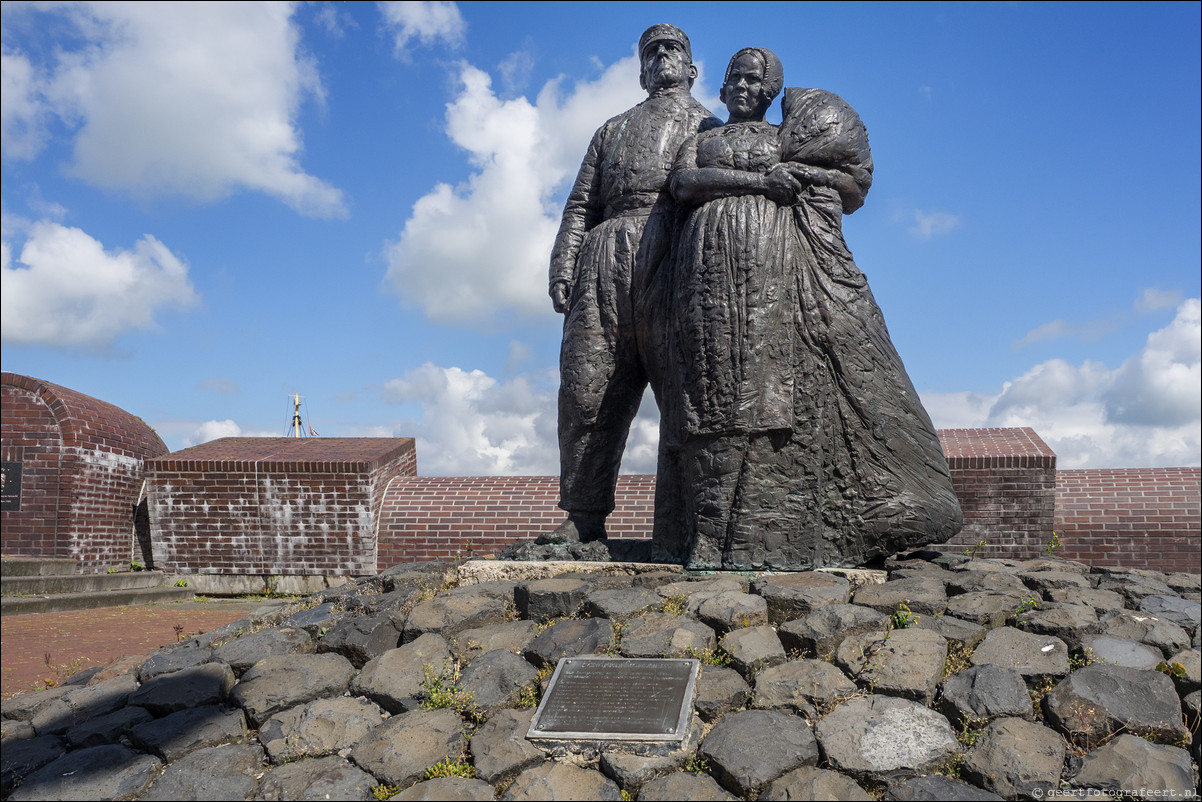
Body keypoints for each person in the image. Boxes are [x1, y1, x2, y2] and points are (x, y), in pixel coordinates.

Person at [654, 47, 961, 570]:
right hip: (705, 266)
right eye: (739, 80)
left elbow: (851, 187)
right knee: (708, 388)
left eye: (758, 83)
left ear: (771, 94)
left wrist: (801, 174)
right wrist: (760, 182)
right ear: (723, 88)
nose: (747, 89)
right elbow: (684, 184)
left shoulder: (786, 142)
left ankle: (765, 536)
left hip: (776, 264)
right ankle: (704, 535)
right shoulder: (700, 140)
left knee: (768, 388)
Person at [544, 24, 720, 545]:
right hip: (603, 260)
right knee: (586, 391)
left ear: (691, 68)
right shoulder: (611, 129)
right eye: (652, 52)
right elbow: (581, 205)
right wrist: (563, 265)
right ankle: (583, 516)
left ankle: (687, 525)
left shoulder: (712, 127)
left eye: (674, 49)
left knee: (685, 390)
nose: (663, 56)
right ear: (642, 71)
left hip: (675, 255)